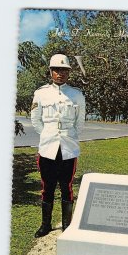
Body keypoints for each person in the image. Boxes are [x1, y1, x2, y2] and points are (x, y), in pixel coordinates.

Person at [31, 53, 85, 238]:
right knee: (47, 187)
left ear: (69, 72)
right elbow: (36, 120)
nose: (60, 73)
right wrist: (48, 135)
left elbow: (80, 122)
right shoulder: (41, 93)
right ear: (51, 71)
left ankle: (66, 225)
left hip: (68, 149)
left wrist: (69, 136)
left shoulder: (76, 95)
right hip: (47, 148)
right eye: (56, 70)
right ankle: (45, 225)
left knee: (67, 187)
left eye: (64, 70)